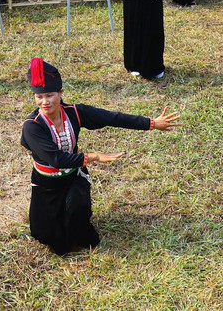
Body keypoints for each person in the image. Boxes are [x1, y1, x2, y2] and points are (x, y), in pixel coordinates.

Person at [20, 57, 180, 255]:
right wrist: (93, 157)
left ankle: (77, 220)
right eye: (39, 97)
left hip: (72, 177)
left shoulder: (75, 112)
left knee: (80, 218)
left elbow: (112, 117)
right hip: (46, 184)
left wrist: (151, 123)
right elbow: (56, 159)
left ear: (60, 93)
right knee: (47, 237)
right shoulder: (32, 126)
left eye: (50, 95)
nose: (45, 102)